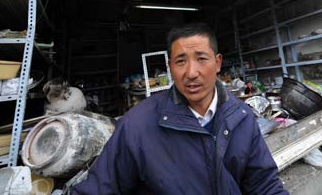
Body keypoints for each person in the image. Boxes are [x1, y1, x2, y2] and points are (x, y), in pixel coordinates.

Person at [72, 22, 288, 194]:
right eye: (181, 61)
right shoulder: (137, 125)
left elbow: (264, 185)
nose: (192, 72)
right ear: (170, 68)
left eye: (202, 58)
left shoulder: (241, 117)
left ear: (218, 62)